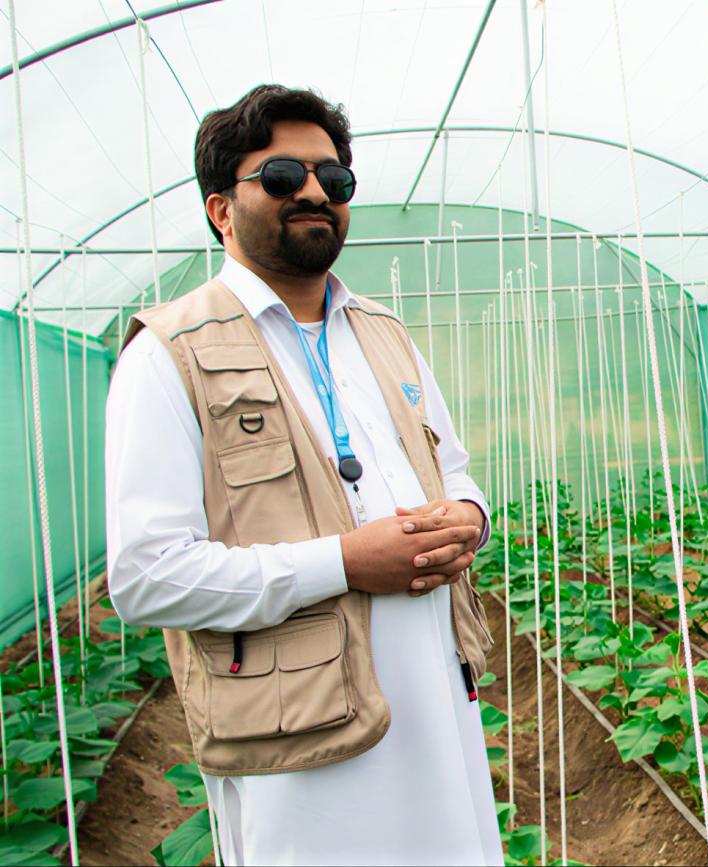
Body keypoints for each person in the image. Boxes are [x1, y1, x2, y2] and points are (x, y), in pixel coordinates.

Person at [105, 85, 501, 866]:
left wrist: (469, 516)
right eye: (283, 175)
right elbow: (144, 575)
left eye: (335, 178)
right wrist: (344, 563)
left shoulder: (384, 334)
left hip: (435, 701)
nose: (315, 191)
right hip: (296, 733)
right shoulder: (169, 353)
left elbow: (455, 473)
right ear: (221, 208)